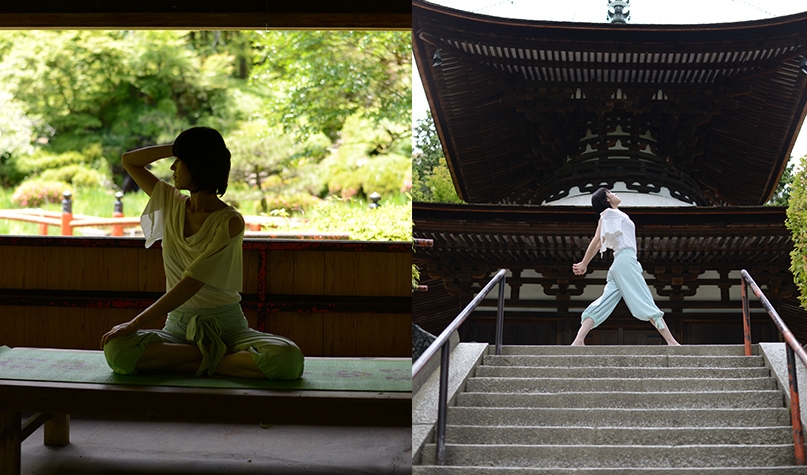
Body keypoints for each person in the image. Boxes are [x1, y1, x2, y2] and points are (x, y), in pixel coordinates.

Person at [100, 127, 304, 379]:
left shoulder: (229, 221)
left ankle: (196, 359)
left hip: (229, 329)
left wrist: (135, 323)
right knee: (117, 350)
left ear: (197, 164)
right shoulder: (170, 201)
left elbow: (191, 283)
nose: (173, 167)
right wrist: (179, 147)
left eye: (179, 160)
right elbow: (129, 161)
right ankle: (217, 357)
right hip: (177, 329)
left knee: (287, 358)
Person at [571, 187, 680, 346]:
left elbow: (598, 239)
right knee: (645, 299)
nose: (615, 193)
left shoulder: (609, 216)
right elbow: (598, 240)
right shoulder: (611, 214)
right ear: (607, 200)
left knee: (604, 302)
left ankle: (578, 339)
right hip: (625, 261)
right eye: (610, 192)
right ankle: (671, 342)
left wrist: (585, 263)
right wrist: (584, 263)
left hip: (620, 263)